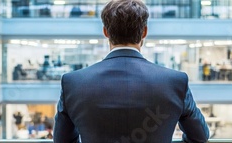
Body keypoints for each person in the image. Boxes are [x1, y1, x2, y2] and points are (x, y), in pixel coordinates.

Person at [54, 0, 209, 142]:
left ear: (106, 32)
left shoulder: (73, 82)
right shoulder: (175, 81)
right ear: (144, 32)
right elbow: (200, 137)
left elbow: (62, 140)